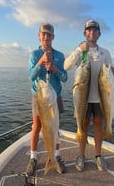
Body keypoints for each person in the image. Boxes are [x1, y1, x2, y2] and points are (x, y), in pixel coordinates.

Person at [64, 20, 114, 172]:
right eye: (89, 30)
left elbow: (109, 73)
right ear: (85, 33)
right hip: (82, 97)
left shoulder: (105, 53)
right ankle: (81, 156)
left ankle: (98, 156)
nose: (91, 32)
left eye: (95, 30)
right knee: (83, 125)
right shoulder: (81, 51)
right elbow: (66, 66)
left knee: (98, 126)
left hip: (100, 98)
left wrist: (112, 70)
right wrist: (79, 50)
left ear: (99, 34)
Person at [26, 23, 68, 176]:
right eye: (43, 34)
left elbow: (65, 77)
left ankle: (56, 156)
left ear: (53, 37)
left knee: (55, 127)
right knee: (37, 126)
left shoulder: (60, 55)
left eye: (49, 34)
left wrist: (55, 69)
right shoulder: (34, 55)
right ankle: (33, 158)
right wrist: (40, 62)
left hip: (55, 96)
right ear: (39, 35)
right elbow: (31, 76)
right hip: (39, 97)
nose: (46, 37)